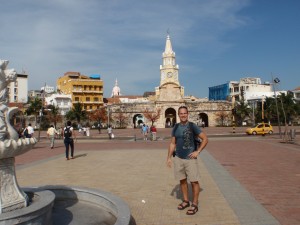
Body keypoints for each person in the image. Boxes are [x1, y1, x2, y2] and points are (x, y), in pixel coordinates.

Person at [166, 106, 208, 215]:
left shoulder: (192, 126)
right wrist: (169, 157)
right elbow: (172, 143)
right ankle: (185, 201)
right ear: (178, 115)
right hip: (179, 158)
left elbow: (205, 139)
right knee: (182, 181)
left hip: (190, 159)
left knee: (194, 181)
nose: (183, 115)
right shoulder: (175, 127)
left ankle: (194, 204)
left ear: (187, 114)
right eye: (181, 113)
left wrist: (198, 151)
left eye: (185, 113)